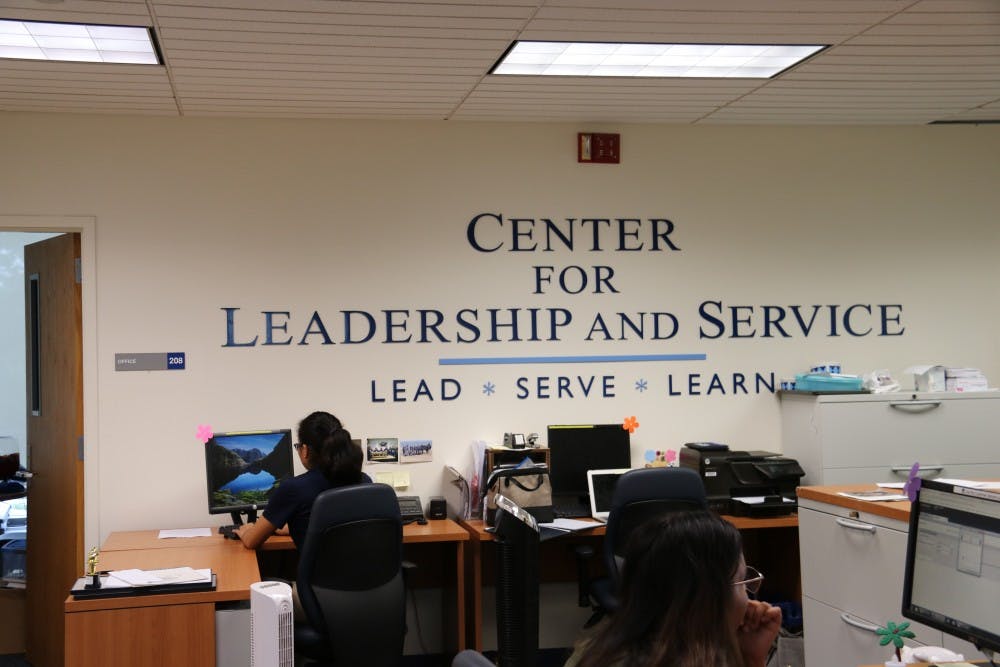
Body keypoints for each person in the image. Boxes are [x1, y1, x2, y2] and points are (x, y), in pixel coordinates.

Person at [565, 510, 782, 667]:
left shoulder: (597, 651)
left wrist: (749, 657)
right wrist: (752, 661)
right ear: (705, 598)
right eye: (742, 582)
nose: (749, 598)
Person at [236, 411, 370, 550]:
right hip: (366, 564)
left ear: (305, 450)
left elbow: (252, 541)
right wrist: (292, 526)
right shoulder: (364, 481)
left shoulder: (293, 489)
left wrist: (246, 531)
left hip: (321, 565)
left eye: (298, 446)